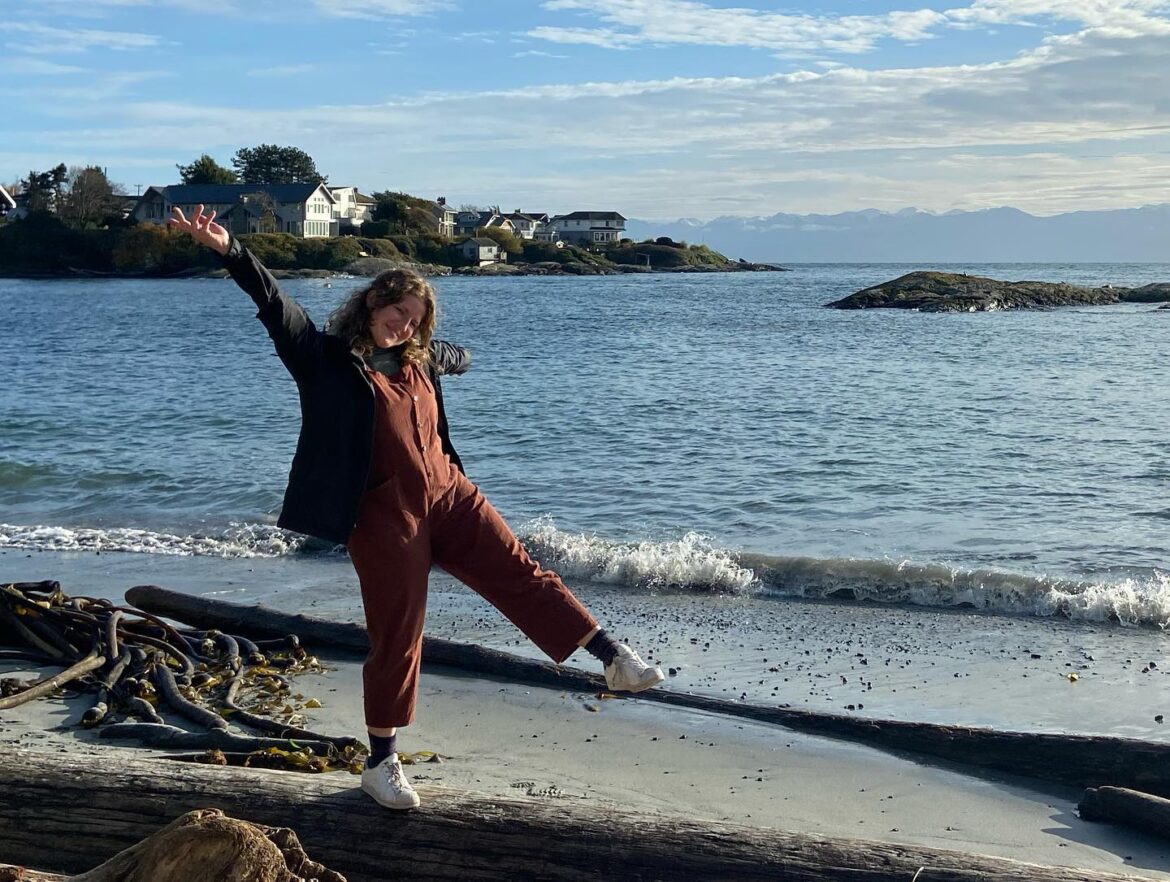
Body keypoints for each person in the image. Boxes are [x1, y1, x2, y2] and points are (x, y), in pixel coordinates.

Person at [168, 205, 664, 810]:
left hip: (450, 494)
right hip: (382, 514)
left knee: (522, 574)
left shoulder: (418, 360)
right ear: (372, 305)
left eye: (415, 320)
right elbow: (277, 305)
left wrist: (449, 355)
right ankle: (381, 762)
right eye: (397, 313)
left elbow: (456, 357)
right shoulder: (322, 359)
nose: (403, 326)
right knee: (399, 635)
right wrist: (229, 250)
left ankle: (612, 658)